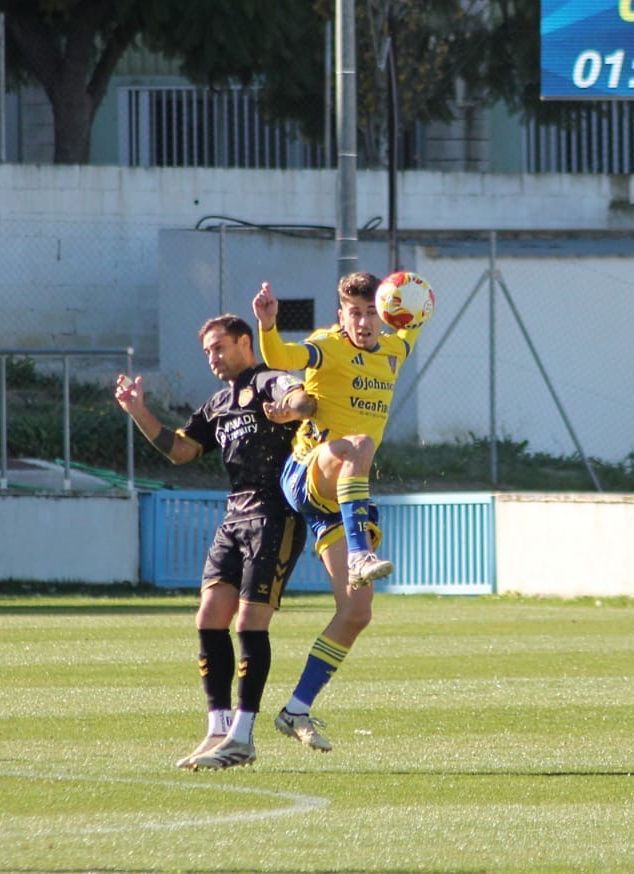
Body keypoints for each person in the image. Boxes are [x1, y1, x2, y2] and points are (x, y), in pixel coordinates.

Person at [114, 314, 313, 771]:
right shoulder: (219, 403)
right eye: (207, 351)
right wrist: (138, 411)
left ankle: (243, 735)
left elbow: (302, 398)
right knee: (208, 617)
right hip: (234, 519)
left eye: (219, 347)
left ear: (245, 342)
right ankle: (218, 729)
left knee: (249, 623)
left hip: (274, 517)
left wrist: (292, 408)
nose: (212, 357)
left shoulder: (269, 381)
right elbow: (181, 450)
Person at [253, 271, 424, 752]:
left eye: (372, 313)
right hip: (308, 471)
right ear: (341, 315)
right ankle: (359, 553)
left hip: (340, 499)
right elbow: (281, 357)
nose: (364, 322)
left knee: (356, 613)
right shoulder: (325, 346)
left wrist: (415, 295)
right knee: (359, 443)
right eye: (355, 313)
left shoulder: (395, 348)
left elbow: (415, 317)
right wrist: (267, 324)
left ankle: (296, 709)